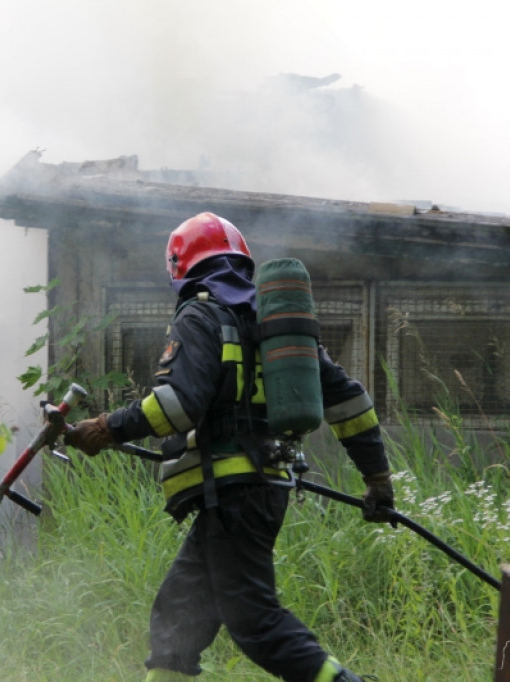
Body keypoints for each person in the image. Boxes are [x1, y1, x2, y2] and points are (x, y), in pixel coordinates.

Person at [64, 212, 394, 682]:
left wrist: (106, 427)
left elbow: (178, 404)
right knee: (177, 619)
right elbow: (349, 401)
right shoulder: (277, 327)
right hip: (257, 490)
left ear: (179, 267)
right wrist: (377, 478)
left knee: (256, 623)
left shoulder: (199, 315)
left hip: (233, 493)